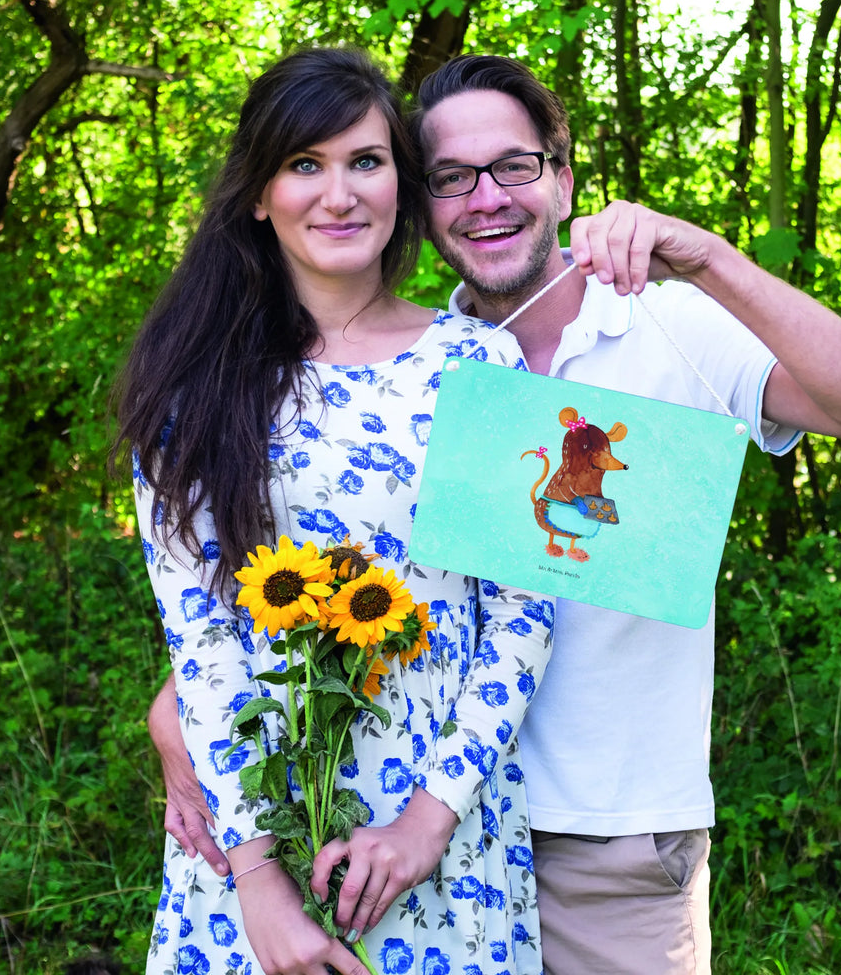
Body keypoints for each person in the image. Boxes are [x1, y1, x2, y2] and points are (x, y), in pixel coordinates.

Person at [150, 52, 841, 975]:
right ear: (423, 202)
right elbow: (296, 579)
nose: (485, 197)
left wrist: (709, 257)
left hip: (604, 837)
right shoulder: (422, 365)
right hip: (377, 826)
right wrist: (184, 718)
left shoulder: (660, 324)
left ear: (561, 177)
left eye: (513, 166)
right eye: (450, 178)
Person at [114, 48, 561, 975]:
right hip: (252, 833)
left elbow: (523, 611)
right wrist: (260, 887)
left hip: (441, 836)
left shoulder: (479, 365)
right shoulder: (192, 388)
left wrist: (427, 824)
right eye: (304, 165)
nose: (339, 193)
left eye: (365, 161)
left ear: (401, 180)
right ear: (257, 194)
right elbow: (199, 643)